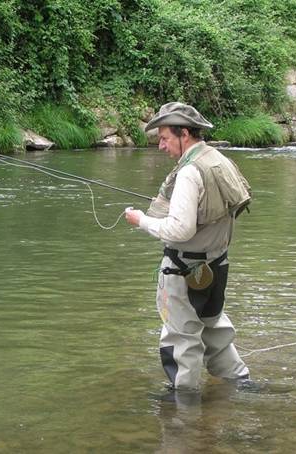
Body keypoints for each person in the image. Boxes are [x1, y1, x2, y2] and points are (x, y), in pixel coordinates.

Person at [125, 102, 251, 392]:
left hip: (184, 271)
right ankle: (242, 386)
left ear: (184, 134)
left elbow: (180, 229)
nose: (161, 146)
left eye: (165, 138)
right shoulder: (218, 159)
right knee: (215, 329)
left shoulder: (190, 172)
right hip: (217, 267)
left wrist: (141, 220)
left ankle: (184, 407)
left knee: (181, 339)